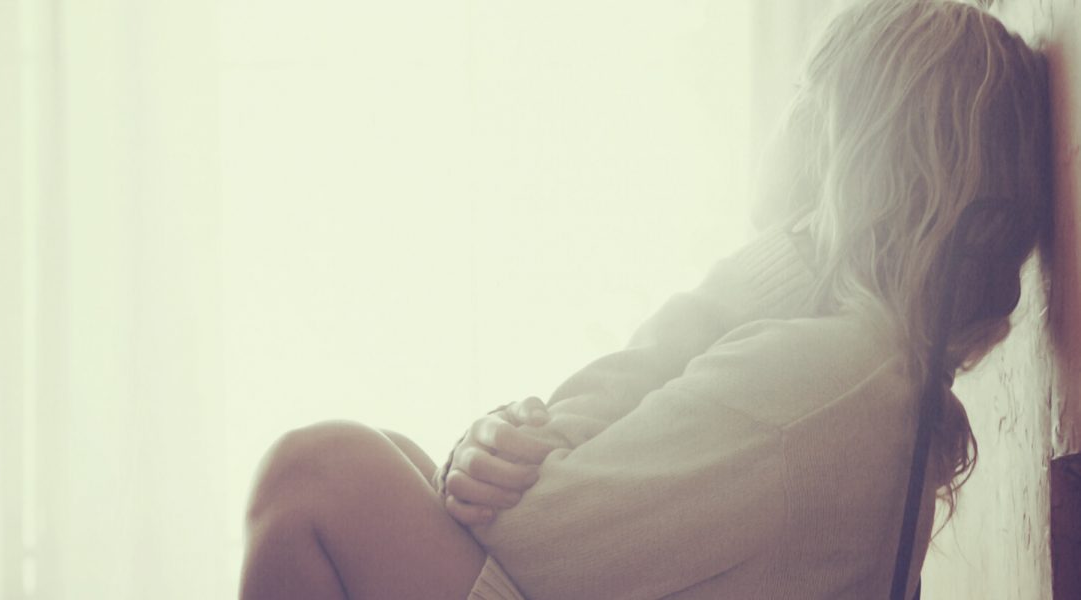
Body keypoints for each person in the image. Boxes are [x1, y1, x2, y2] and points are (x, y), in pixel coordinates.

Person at [237, 1, 1053, 598]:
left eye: (808, 97)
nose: (789, 120)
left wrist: (745, 281)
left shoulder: (831, 372)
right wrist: (486, 451)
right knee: (387, 458)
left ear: (843, 145)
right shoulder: (872, 373)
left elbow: (527, 538)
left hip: (544, 552)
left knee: (319, 472)